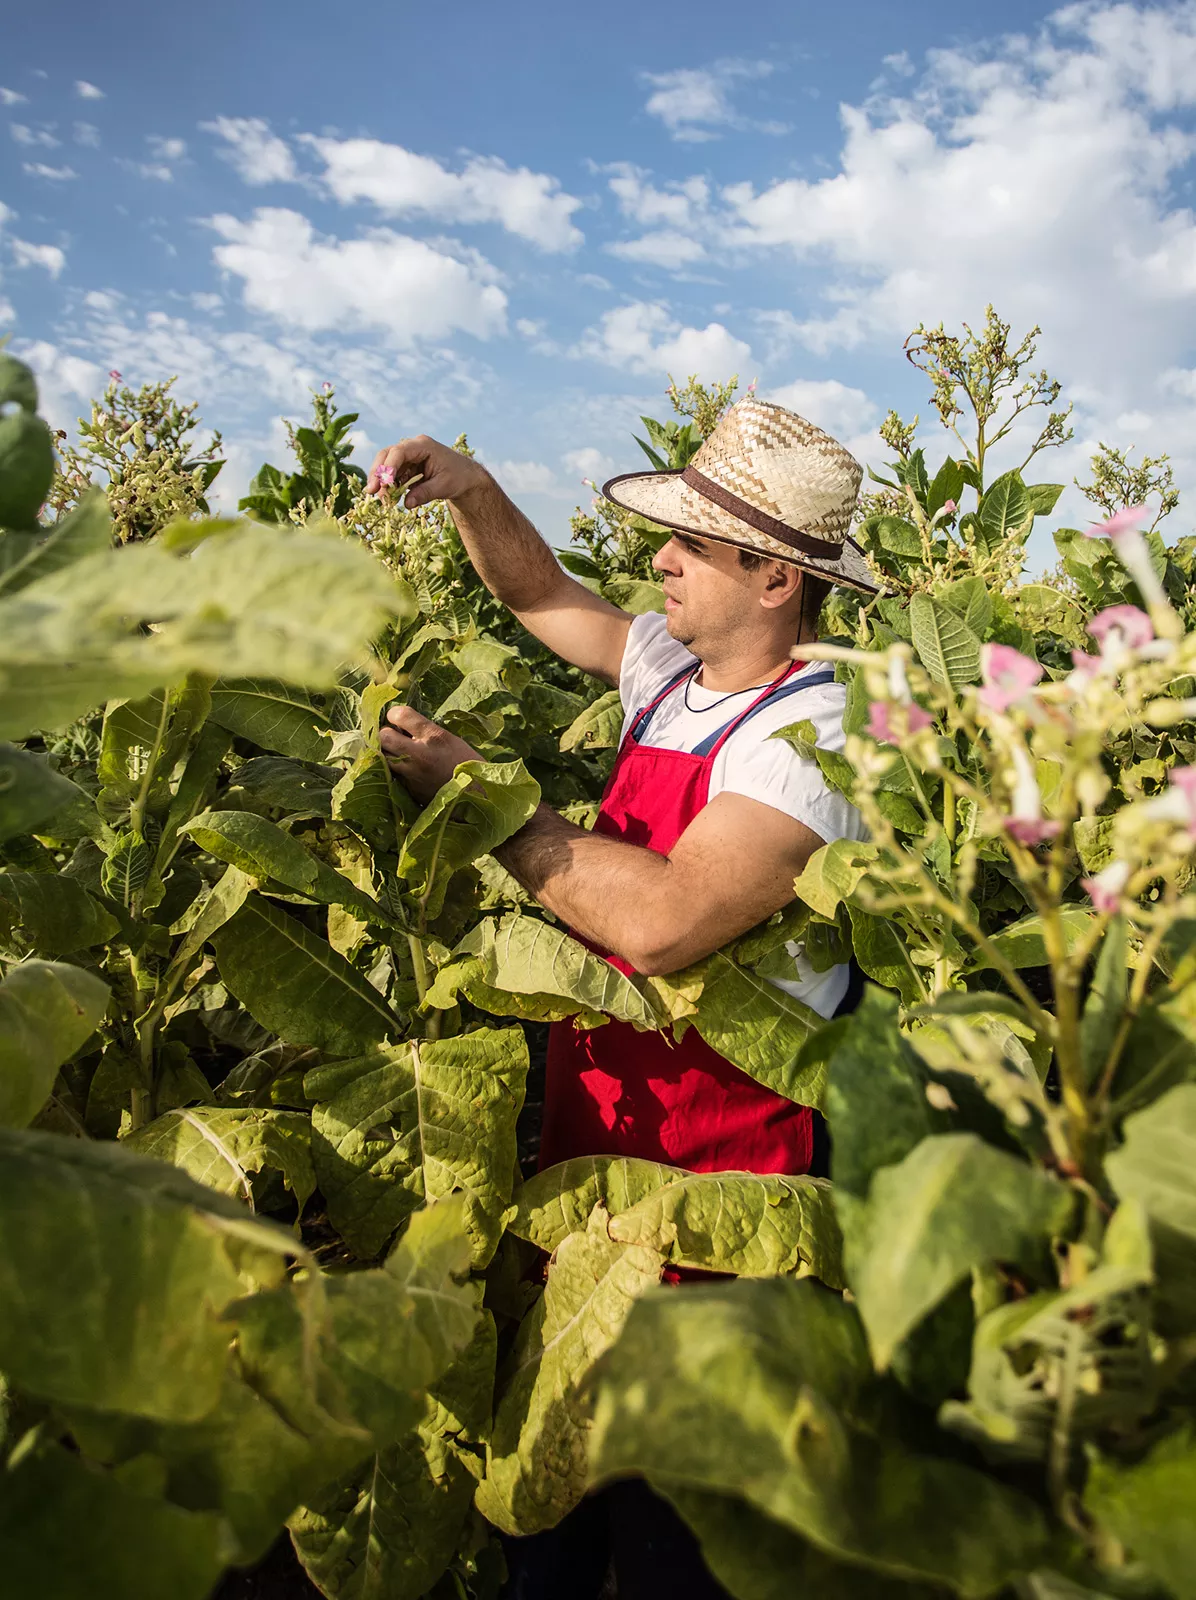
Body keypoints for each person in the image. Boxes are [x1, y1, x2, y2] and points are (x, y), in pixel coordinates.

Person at [370, 397, 878, 1599]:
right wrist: (473, 489)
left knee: (675, 1519)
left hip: (723, 1173)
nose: (658, 557)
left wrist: (485, 797)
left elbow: (662, 920)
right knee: (557, 1489)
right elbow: (540, 596)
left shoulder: (819, 728)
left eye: (690, 544)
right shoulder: (673, 673)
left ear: (772, 581)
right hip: (597, 1126)